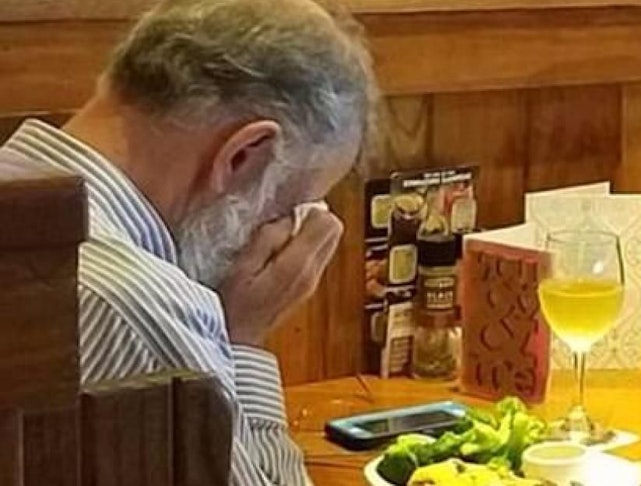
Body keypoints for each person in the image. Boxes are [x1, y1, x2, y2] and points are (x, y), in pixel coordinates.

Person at [0, 0, 376, 484]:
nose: (282, 233)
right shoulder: (138, 304)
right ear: (242, 156)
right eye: (288, 208)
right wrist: (243, 342)